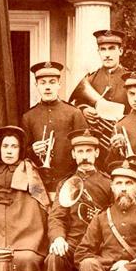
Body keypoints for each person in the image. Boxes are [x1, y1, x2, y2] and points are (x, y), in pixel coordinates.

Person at [45, 128, 112, 271]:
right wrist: (58, 238)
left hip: (99, 245)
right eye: (80, 151)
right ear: (73, 154)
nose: (84, 156)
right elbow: (56, 216)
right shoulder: (66, 183)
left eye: (89, 151)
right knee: (53, 259)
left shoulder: (108, 183)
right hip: (73, 242)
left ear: (97, 153)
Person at [0, 126, 50, 271]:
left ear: (20, 150)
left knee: (25, 259)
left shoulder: (30, 173)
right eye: (5, 146)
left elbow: (42, 204)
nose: (9, 151)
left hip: (27, 239)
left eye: (14, 146)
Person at [21, 61, 88, 190]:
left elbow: (85, 147)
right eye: (43, 83)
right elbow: (22, 153)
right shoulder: (28, 116)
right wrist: (33, 150)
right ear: (36, 85)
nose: (47, 87)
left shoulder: (74, 113)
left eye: (52, 82)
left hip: (69, 181)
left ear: (59, 84)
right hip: (38, 183)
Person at [74, 29, 131, 124]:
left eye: (111, 48)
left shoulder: (131, 80)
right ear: (98, 52)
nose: (107, 54)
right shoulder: (90, 79)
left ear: (120, 51)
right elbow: (78, 104)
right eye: (103, 49)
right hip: (96, 136)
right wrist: (84, 110)